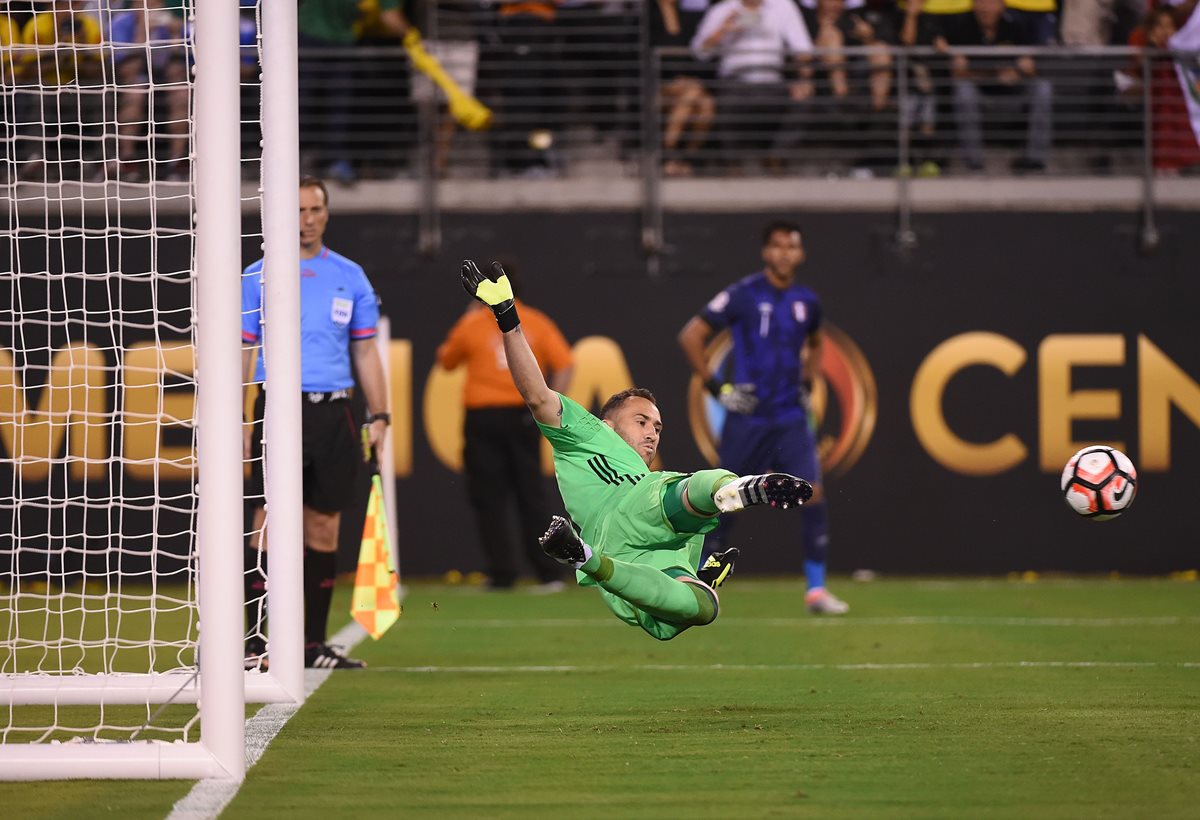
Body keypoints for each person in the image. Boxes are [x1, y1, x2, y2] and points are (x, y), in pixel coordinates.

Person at [459, 259, 814, 642]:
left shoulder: (652, 486)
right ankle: (740, 489)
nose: (652, 433)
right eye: (641, 421)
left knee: (695, 612)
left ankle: (596, 560)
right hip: (624, 516)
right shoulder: (591, 433)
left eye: (658, 427)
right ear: (608, 423)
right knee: (679, 490)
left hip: (622, 567)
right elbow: (535, 394)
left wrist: (697, 577)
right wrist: (508, 319)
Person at [241, 177, 390, 669]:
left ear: (327, 213)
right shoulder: (258, 276)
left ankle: (310, 644)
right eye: (299, 209)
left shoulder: (350, 275)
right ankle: (255, 642)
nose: (307, 219)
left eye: (315, 209)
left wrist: (381, 415)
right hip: (279, 409)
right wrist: (242, 420)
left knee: (324, 525)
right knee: (265, 521)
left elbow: (366, 350)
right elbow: (246, 350)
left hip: (335, 412)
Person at [677, 220, 849, 616]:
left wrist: (809, 381)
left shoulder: (808, 300)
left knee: (813, 494)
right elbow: (691, 335)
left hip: (790, 416)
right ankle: (700, 584)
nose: (785, 253)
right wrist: (718, 388)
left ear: (800, 253)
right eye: (777, 246)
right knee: (723, 500)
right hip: (749, 417)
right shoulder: (744, 294)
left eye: (792, 246)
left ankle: (816, 592)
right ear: (765, 252)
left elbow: (818, 341)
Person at [436, 266, 574, 591]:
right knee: (531, 494)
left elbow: (446, 360)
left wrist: (469, 314)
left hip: (484, 419)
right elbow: (566, 363)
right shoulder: (536, 321)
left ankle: (502, 574)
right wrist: (550, 404)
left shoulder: (472, 323)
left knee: (490, 497)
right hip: (524, 415)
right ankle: (547, 573)